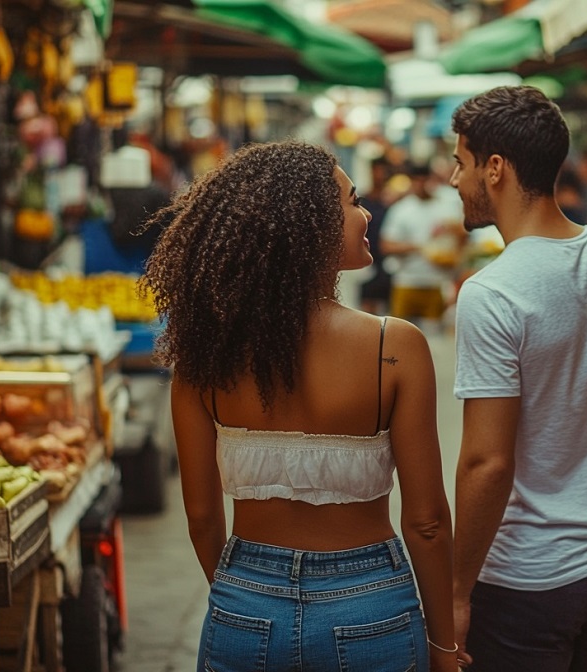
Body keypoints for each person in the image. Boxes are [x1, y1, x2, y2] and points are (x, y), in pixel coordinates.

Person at [139, 141, 458, 672]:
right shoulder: (395, 347)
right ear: (311, 226)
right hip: (372, 604)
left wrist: (242, 593)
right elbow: (426, 522)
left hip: (243, 607)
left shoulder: (204, 355)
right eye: (353, 202)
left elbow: (200, 517)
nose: (365, 214)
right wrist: (444, 649)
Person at [447, 86, 587, 671]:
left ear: (495, 168)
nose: (453, 179)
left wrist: (453, 592)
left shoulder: (491, 292)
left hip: (523, 582)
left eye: (461, 162)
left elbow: (487, 463)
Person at [380, 163, 465, 330]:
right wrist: (419, 247)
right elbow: (387, 245)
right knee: (399, 333)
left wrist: (451, 230)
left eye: (424, 180)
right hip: (407, 281)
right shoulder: (402, 209)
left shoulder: (446, 205)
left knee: (434, 335)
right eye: (417, 181)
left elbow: (464, 236)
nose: (421, 185)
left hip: (437, 282)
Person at [359, 157, 394, 314]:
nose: (380, 175)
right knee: (368, 308)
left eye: (383, 171)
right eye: (377, 170)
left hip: (389, 261)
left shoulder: (393, 202)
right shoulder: (364, 201)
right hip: (368, 261)